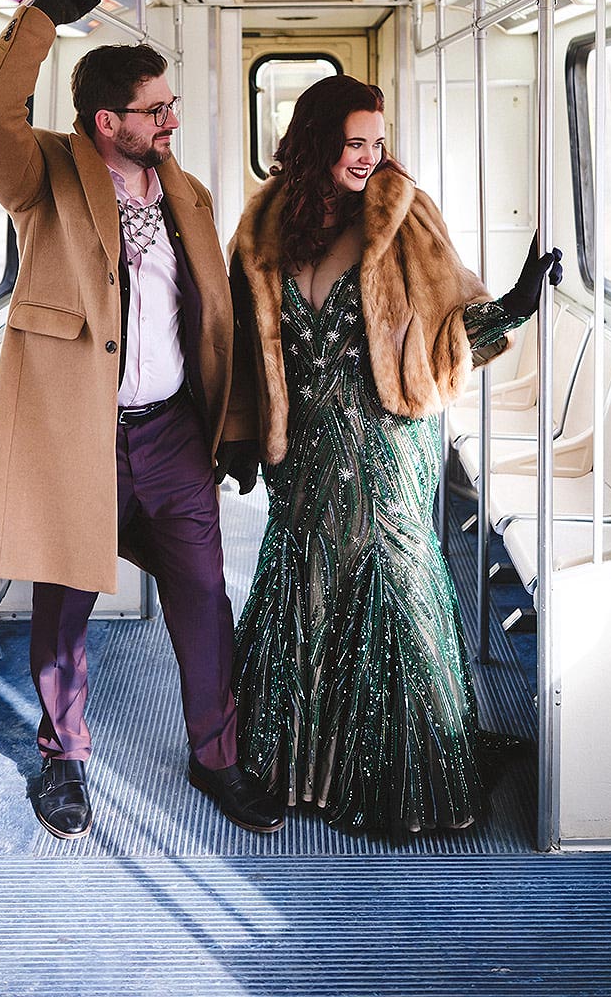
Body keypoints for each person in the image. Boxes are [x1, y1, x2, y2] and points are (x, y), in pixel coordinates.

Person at [0, 0, 282, 839]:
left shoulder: (187, 194)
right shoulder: (45, 177)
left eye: (170, 106)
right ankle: (63, 757)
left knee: (203, 595)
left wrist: (234, 427)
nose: (171, 121)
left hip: (173, 432)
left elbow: (211, 319)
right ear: (107, 121)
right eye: (155, 110)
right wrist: (39, 20)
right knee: (65, 602)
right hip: (81, 435)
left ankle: (215, 755)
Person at [225, 74, 561, 836]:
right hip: (299, 445)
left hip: (387, 438)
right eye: (354, 143)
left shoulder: (404, 215)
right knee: (302, 577)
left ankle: (405, 773)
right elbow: (241, 342)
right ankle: (300, 765)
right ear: (314, 143)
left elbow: (449, 328)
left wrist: (514, 305)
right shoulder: (261, 224)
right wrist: (238, 436)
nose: (369, 158)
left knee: (395, 578)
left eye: (377, 143)